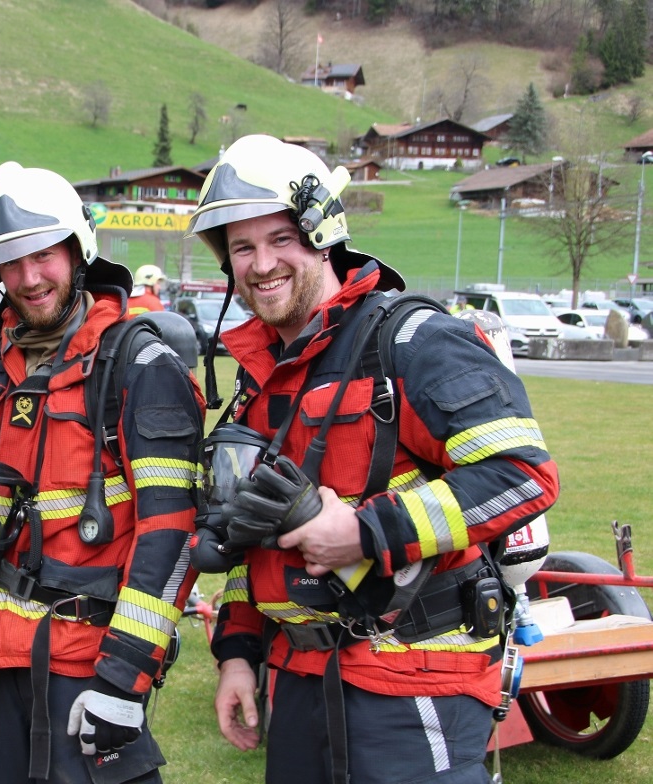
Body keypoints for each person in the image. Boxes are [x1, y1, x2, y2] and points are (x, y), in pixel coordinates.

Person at [186, 135, 560, 784]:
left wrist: (361, 532)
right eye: (242, 247)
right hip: (299, 682)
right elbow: (258, 540)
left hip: (417, 688)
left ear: (323, 233)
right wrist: (239, 654)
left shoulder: (415, 341)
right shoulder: (265, 381)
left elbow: (521, 475)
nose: (261, 264)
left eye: (281, 239)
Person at [0, 161, 205, 784]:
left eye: (43, 254)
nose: (30, 278)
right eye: (10, 263)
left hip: (88, 668)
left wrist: (124, 677)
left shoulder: (139, 363)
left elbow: (171, 533)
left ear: (76, 250)